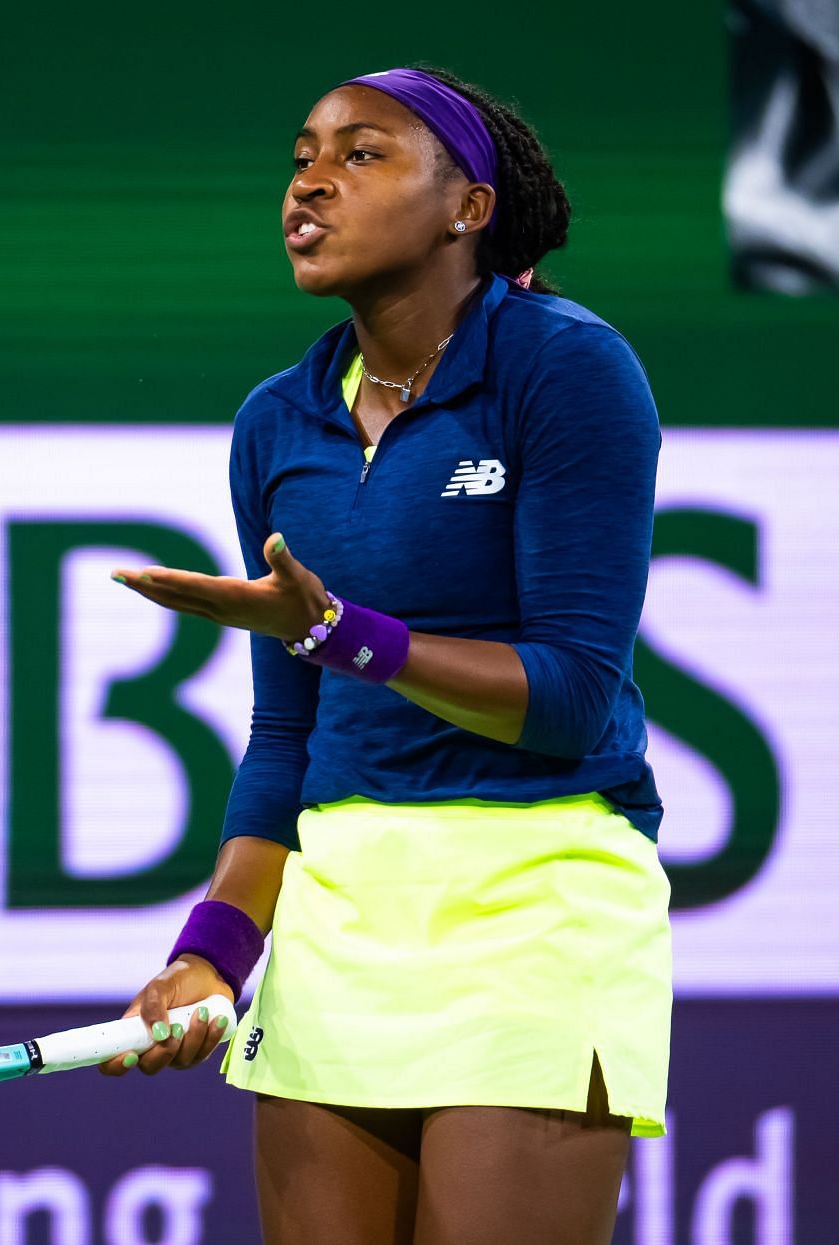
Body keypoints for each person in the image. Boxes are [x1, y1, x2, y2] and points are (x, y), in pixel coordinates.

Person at [100, 65, 672, 1245]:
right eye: (303, 154)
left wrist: (334, 632)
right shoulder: (276, 420)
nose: (310, 181)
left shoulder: (566, 368)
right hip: (338, 920)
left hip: (538, 901)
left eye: (362, 154)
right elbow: (285, 742)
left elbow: (569, 698)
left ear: (469, 208)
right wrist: (211, 956)